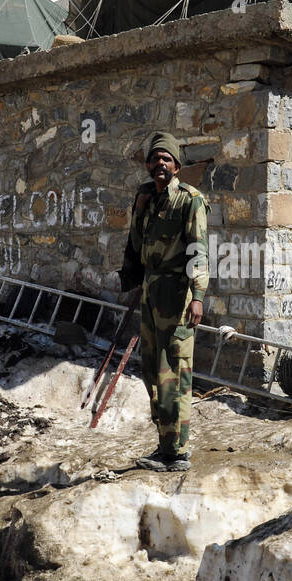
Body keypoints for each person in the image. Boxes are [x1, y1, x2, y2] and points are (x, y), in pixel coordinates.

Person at [117, 131, 209, 472]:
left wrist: (197, 297)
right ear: (147, 164)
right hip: (150, 293)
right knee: (153, 371)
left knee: (175, 371)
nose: (160, 164)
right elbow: (136, 245)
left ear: (177, 166)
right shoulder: (145, 198)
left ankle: (178, 451)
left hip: (178, 295)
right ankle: (165, 444)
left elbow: (198, 250)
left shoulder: (190, 200)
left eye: (166, 159)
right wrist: (138, 213)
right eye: (155, 158)